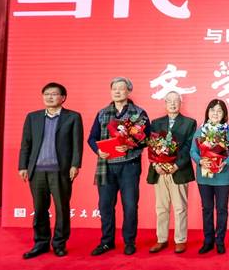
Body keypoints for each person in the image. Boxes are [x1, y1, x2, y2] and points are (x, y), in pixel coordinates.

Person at [18, 82, 83, 258]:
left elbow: (77, 144)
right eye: (46, 94)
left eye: (54, 94)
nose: (49, 97)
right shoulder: (33, 117)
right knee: (39, 209)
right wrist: (23, 166)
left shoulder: (73, 117)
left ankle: (59, 244)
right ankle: (41, 243)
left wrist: (75, 165)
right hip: (37, 171)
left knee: (62, 208)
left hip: (61, 170)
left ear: (63, 98)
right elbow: (26, 144)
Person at [87, 77, 150, 256]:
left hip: (129, 165)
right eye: (114, 88)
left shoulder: (139, 113)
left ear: (129, 91)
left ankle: (129, 241)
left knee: (130, 206)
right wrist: (98, 151)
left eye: (121, 88)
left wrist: (131, 145)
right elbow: (92, 138)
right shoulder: (102, 113)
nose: (117, 91)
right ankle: (107, 242)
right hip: (106, 165)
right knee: (105, 205)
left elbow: (146, 139)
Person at [146, 92, 196, 254]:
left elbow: (189, 147)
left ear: (180, 103)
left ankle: (180, 240)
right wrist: (156, 165)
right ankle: (161, 239)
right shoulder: (156, 123)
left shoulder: (189, 123)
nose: (173, 104)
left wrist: (177, 165)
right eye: (169, 101)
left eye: (176, 101)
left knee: (180, 207)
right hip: (159, 171)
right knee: (161, 207)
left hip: (179, 170)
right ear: (165, 103)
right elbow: (152, 146)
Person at [191, 99, 229, 254]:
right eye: (212, 110)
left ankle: (220, 241)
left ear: (224, 114)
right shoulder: (200, 130)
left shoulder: (228, 131)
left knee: (222, 209)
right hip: (204, 177)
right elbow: (193, 151)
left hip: (223, 177)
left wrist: (225, 162)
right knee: (207, 209)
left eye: (219, 111)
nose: (215, 114)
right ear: (208, 112)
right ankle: (208, 241)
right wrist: (200, 161)